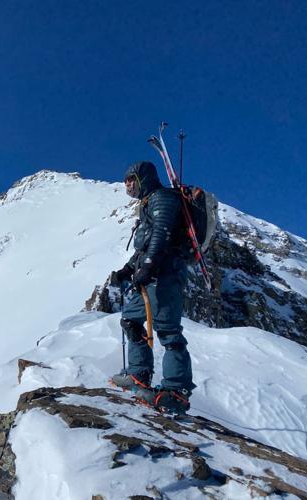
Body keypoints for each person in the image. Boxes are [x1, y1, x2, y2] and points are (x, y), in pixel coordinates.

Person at [110, 160, 195, 413]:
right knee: (130, 321)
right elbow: (145, 243)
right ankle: (138, 374)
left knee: (168, 331)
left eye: (131, 179)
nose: (127, 185)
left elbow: (162, 234)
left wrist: (148, 265)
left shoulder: (163, 198)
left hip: (165, 274)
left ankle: (176, 391)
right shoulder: (147, 204)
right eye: (125, 181)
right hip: (148, 276)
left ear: (143, 178)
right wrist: (129, 269)